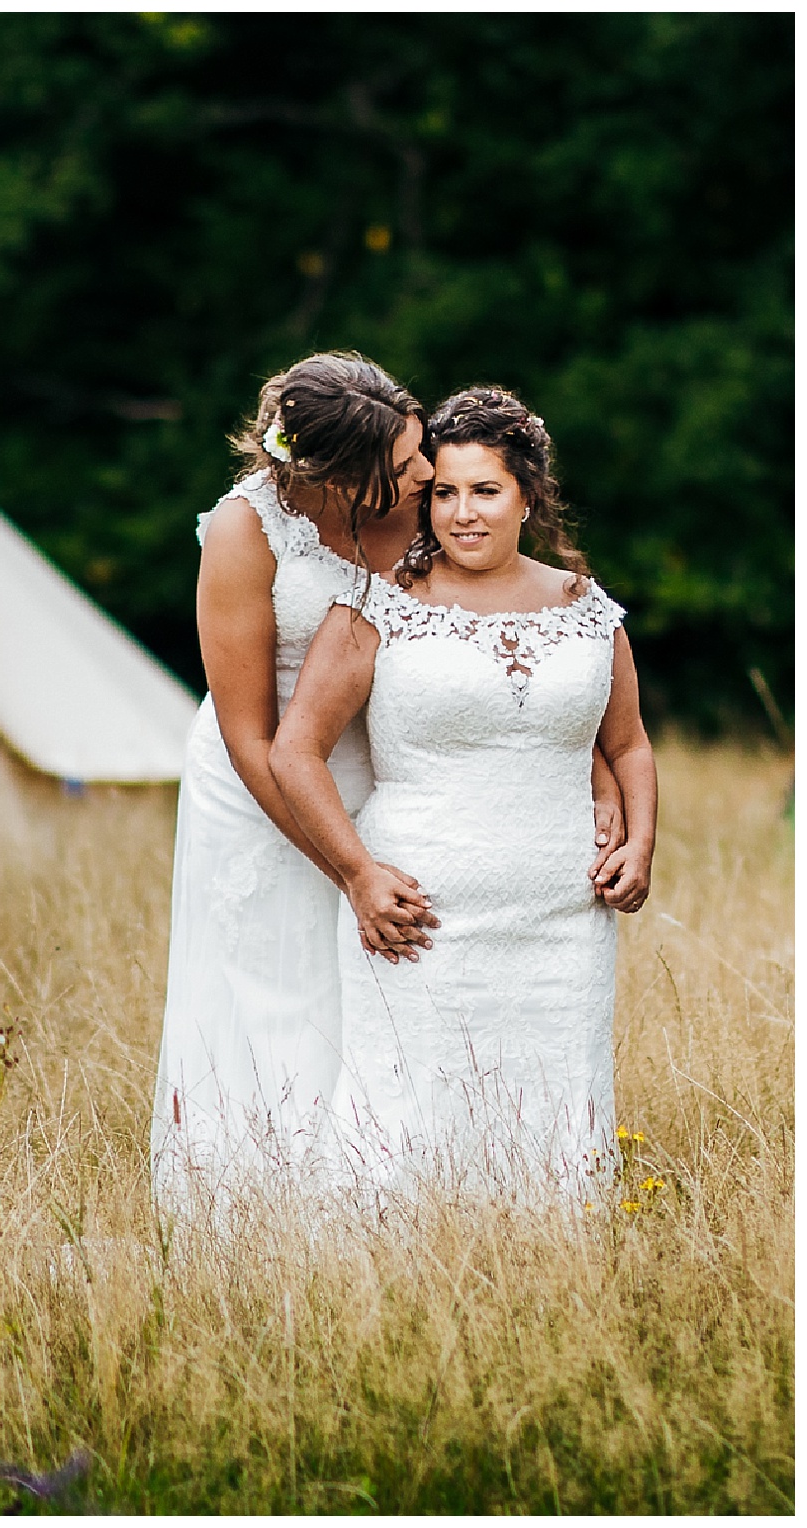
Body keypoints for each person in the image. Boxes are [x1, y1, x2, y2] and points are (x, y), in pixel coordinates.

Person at [269, 387, 656, 1200]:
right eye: (443, 491)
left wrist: (641, 841)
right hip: (421, 914)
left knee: (556, 1121)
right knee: (408, 1117)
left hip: (563, 918)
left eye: (485, 491)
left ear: (529, 497)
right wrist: (359, 874)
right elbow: (296, 752)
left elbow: (627, 744)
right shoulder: (377, 608)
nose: (462, 513)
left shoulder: (586, 610)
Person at [149, 353, 438, 1200]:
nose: (427, 470)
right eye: (402, 466)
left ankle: (378, 1190)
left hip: (381, 769)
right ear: (337, 478)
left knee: (378, 988)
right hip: (259, 786)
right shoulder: (246, 532)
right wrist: (350, 867)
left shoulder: (428, 505)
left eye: (420, 449)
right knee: (277, 983)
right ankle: (262, 1202)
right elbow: (249, 734)